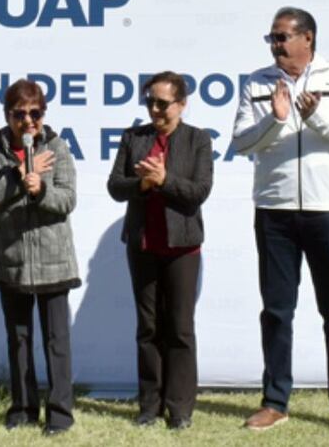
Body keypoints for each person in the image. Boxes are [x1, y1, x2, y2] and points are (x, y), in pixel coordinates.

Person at [232, 7, 329, 437]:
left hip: (328, 210)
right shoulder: (256, 82)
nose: (275, 45)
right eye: (271, 38)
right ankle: (275, 402)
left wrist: (316, 118)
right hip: (274, 210)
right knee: (276, 310)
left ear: (307, 38)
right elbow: (239, 143)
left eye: (282, 37)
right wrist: (275, 120)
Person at [107, 71, 213, 430]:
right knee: (148, 328)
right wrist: (143, 183)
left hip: (182, 247)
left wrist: (165, 181)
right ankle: (149, 406)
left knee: (180, 329)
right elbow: (115, 187)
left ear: (181, 104)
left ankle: (180, 408)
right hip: (143, 245)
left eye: (162, 103)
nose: (154, 108)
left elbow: (199, 192)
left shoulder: (198, 140)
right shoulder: (133, 138)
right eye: (150, 101)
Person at [0, 79, 80, 437]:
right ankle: (22, 408)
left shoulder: (58, 147)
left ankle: (61, 413)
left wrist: (41, 189)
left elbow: (67, 200)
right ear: (8, 115)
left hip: (53, 259)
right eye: (20, 114)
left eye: (35, 113)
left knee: (57, 340)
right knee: (18, 339)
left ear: (43, 114)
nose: (28, 121)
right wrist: (17, 180)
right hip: (11, 261)